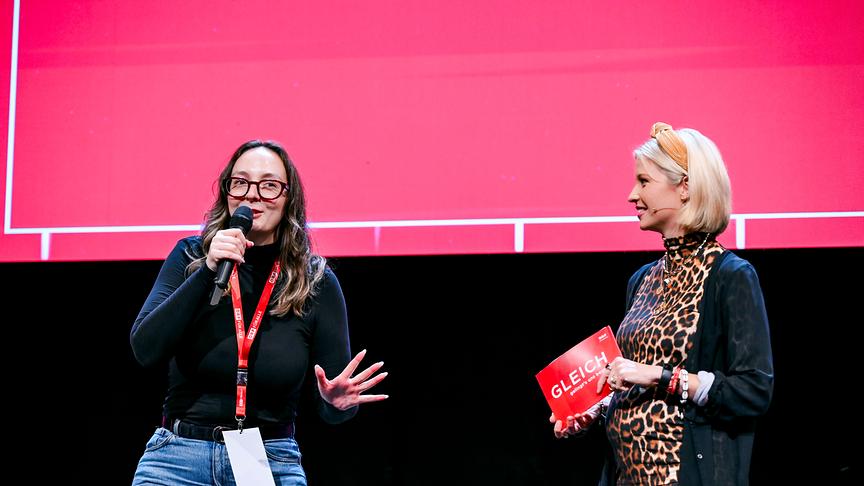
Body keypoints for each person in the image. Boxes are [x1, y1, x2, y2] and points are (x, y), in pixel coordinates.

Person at [130, 140, 388, 485]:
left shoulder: (314, 281)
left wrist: (336, 403)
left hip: (267, 458)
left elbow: (335, 404)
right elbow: (145, 348)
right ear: (227, 192)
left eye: (268, 186)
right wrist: (208, 269)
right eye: (241, 183)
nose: (252, 195)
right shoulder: (190, 257)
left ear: (288, 199)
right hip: (178, 457)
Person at [551, 122, 774, 485]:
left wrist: (659, 375)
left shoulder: (730, 276)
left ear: (685, 186)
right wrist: (593, 411)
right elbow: (632, 384)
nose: (631, 195)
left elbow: (753, 391)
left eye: (644, 182)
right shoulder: (642, 280)